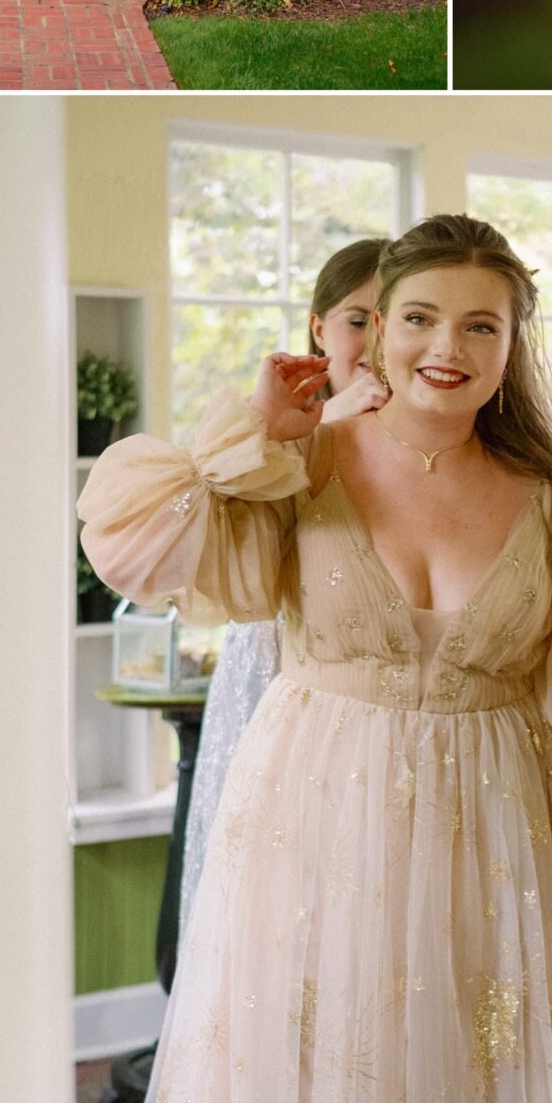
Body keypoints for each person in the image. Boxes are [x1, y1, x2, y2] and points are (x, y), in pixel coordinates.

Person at [77, 212, 552, 1103]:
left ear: (513, 347)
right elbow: (135, 539)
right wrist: (255, 424)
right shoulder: (300, 463)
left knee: (479, 1070)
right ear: (375, 330)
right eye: (421, 318)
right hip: (314, 818)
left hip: (496, 832)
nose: (447, 347)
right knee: (312, 1075)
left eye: (481, 325)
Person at [178, 238, 388, 937]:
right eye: (359, 318)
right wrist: (326, 420)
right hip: (278, 671)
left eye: (398, 318)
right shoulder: (267, 428)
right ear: (317, 328)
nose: (377, 338)